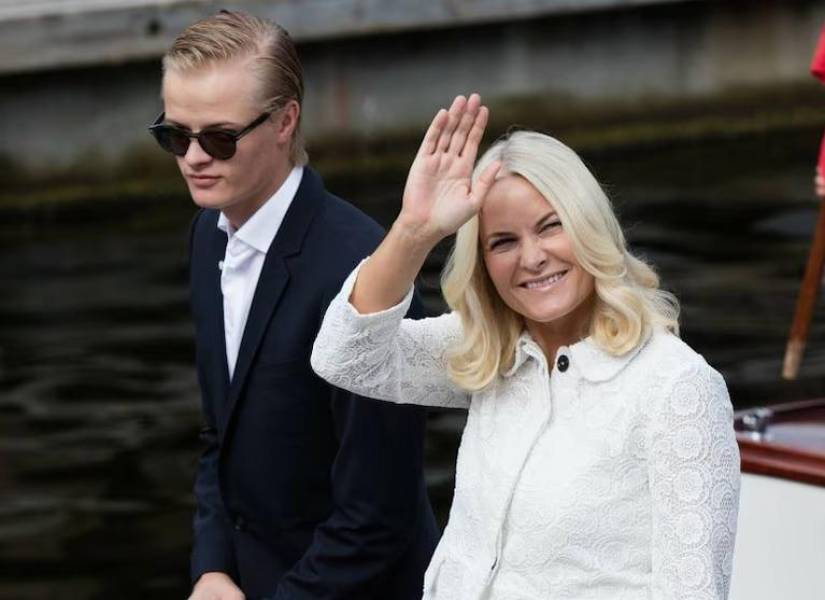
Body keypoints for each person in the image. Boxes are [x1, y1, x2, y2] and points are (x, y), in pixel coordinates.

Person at [311, 94, 741, 599]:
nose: (533, 258)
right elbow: (345, 357)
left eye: (550, 226)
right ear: (484, 265)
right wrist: (415, 230)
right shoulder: (490, 351)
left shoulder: (676, 387)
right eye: (503, 242)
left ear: (589, 226)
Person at [148, 10, 438, 600]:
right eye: (175, 135)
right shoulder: (208, 237)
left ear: (285, 122)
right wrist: (211, 567)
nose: (193, 158)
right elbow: (219, 435)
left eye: (219, 138)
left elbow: (378, 514)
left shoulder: (362, 271)